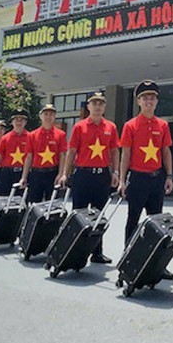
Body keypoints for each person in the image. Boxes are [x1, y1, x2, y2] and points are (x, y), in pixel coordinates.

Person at [118, 81, 173, 277]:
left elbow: (165, 151)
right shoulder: (130, 125)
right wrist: (122, 180)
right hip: (137, 179)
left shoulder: (163, 125)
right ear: (139, 101)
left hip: (156, 179)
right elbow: (125, 154)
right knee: (133, 220)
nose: (149, 101)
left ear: (157, 101)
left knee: (157, 223)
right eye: (145, 98)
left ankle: (157, 264)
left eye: (152, 98)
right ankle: (128, 261)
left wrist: (169, 175)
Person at [59, 90, 119, 264]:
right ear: (88, 106)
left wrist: (115, 172)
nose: (97, 106)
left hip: (102, 176)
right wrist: (65, 174)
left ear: (105, 107)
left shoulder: (111, 127)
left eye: (101, 103)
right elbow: (72, 152)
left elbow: (114, 151)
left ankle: (97, 252)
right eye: (94, 103)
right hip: (83, 175)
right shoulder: (79, 127)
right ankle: (74, 251)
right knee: (78, 214)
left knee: (99, 216)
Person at [25, 103, 67, 203]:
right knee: (34, 204)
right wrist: (24, 177)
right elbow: (29, 157)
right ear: (40, 116)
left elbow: (62, 156)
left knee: (52, 204)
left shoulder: (61, 134)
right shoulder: (32, 135)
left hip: (53, 173)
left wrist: (61, 174)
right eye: (46, 114)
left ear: (54, 116)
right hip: (36, 174)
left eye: (51, 114)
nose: (48, 117)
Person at [0, 112, 32, 196]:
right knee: (3, 199)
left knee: (22, 201)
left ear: (25, 122)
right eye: (16, 119)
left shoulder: (31, 137)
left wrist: (24, 177)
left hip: (23, 173)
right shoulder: (5, 138)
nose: (19, 122)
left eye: (22, 120)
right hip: (7, 174)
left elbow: (30, 157)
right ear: (12, 122)